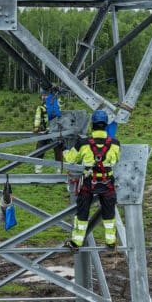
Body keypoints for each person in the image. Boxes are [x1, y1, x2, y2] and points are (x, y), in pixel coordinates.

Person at [63, 109, 121, 251]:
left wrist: (64, 150)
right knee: (109, 214)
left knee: (82, 213)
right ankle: (111, 241)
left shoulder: (83, 143)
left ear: (92, 125)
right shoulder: (115, 143)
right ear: (106, 125)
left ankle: (76, 242)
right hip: (107, 183)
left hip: (88, 183)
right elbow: (117, 159)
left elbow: (71, 159)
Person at [32, 88, 63, 173]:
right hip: (47, 131)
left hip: (51, 131)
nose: (43, 97)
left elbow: (60, 118)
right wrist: (36, 127)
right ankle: (39, 169)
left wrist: (36, 128)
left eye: (45, 95)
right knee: (42, 149)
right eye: (42, 95)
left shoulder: (55, 106)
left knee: (56, 149)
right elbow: (38, 118)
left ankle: (57, 169)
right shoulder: (44, 107)